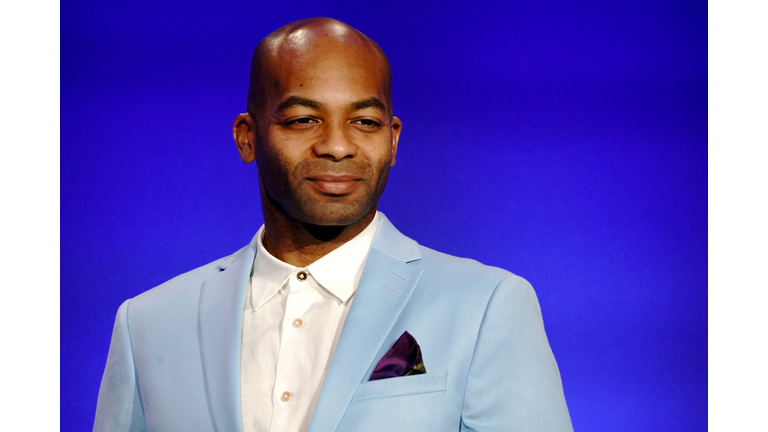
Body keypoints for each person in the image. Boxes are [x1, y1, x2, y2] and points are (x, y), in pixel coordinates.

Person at [93, 17, 573, 432]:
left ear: (393, 138)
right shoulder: (149, 324)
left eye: (364, 121)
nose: (338, 146)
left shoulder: (485, 306)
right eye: (304, 120)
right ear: (247, 137)